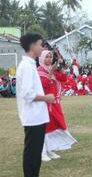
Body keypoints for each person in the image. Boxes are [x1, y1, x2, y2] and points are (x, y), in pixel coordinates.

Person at [16, 33, 55, 177]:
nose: (42, 47)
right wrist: (46, 98)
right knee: (32, 154)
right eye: (40, 44)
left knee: (35, 153)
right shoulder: (26, 66)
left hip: (36, 116)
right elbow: (28, 94)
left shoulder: (30, 65)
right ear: (33, 46)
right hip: (33, 117)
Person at [37, 50, 77, 161]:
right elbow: (44, 84)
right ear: (41, 58)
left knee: (55, 126)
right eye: (47, 57)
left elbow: (63, 78)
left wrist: (61, 66)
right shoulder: (39, 71)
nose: (49, 59)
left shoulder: (52, 70)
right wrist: (51, 72)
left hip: (54, 102)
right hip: (44, 103)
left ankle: (50, 149)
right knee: (45, 128)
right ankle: (42, 151)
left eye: (50, 56)